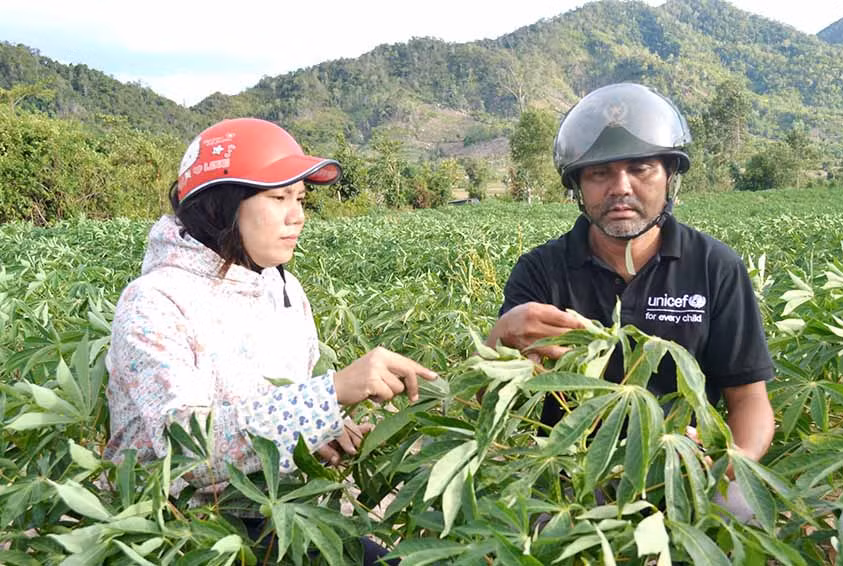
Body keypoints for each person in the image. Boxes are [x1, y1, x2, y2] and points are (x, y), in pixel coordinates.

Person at [104, 117, 436, 562]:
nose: (297, 215)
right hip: (184, 535)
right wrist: (329, 394)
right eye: (279, 197)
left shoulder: (282, 289)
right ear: (221, 205)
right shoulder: (154, 301)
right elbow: (185, 448)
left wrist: (317, 433)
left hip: (277, 516)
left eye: (299, 198)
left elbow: (271, 419)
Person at [487, 83, 775, 519]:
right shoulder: (541, 270)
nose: (620, 188)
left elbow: (750, 398)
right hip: (570, 471)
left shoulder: (715, 266)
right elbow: (492, 389)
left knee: (741, 509)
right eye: (599, 173)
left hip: (683, 466)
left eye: (640, 169)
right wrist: (501, 335)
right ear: (578, 186)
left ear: (669, 176)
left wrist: (729, 463)